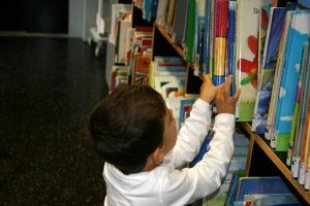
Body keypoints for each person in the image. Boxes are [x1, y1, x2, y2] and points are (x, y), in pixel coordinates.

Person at [88, 75, 241, 206]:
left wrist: (203, 102)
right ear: (157, 155)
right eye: (170, 120)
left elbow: (183, 148)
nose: (172, 112)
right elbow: (209, 175)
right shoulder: (162, 187)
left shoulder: (118, 157)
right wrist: (225, 118)